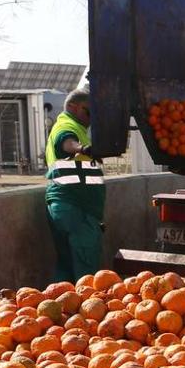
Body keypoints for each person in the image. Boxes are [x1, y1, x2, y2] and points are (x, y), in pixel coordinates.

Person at [44, 90, 105, 283]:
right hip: (76, 209)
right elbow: (66, 143)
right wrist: (82, 148)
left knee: (67, 268)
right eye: (89, 112)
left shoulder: (78, 130)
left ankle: (60, 309)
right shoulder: (66, 126)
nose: (92, 118)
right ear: (72, 107)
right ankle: (87, 310)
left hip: (66, 206)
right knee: (86, 272)